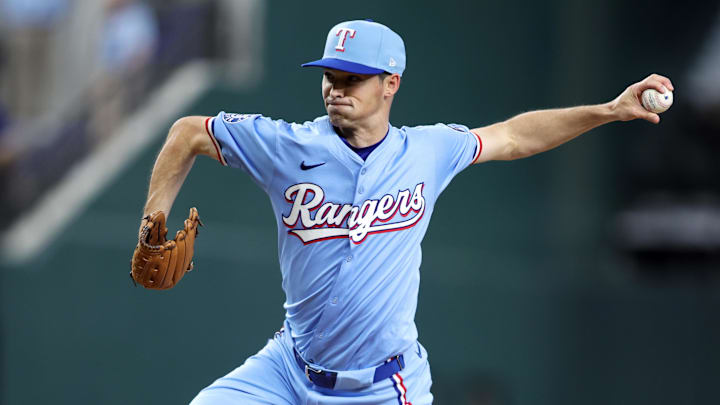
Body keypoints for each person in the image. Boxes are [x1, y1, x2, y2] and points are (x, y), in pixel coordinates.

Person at [138, 19, 673, 405]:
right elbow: (187, 133)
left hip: (382, 388)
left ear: (390, 83)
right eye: (330, 74)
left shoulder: (426, 152)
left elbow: (513, 135)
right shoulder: (285, 146)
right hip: (286, 371)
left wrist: (608, 110)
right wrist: (151, 225)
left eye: (352, 78)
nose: (335, 88)